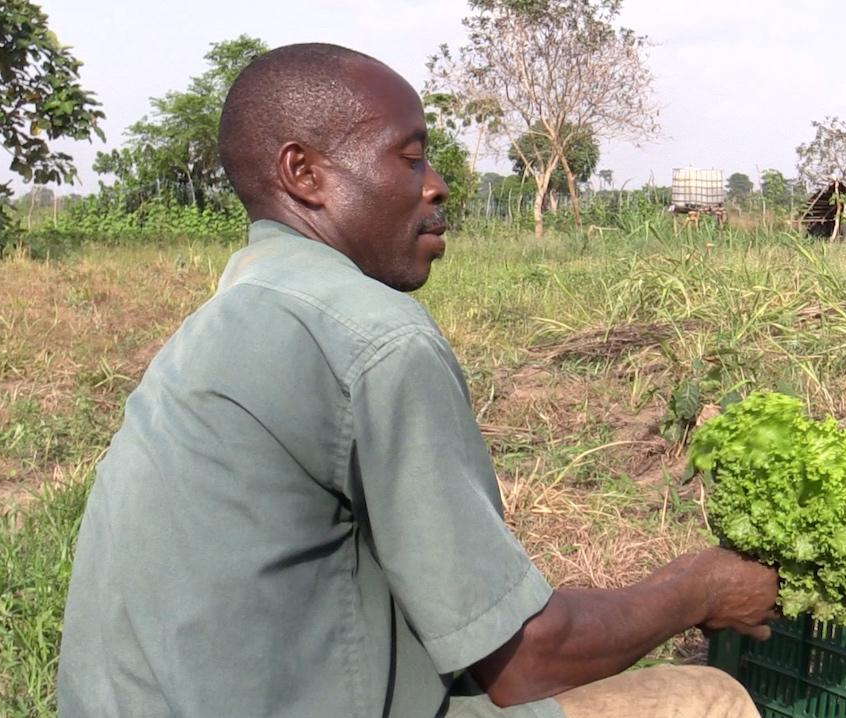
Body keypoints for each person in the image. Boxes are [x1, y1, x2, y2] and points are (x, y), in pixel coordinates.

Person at [57, 43, 779, 718]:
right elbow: (524, 659)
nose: (436, 186)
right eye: (409, 159)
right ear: (303, 174)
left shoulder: (235, 311)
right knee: (704, 698)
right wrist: (698, 588)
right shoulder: (372, 336)